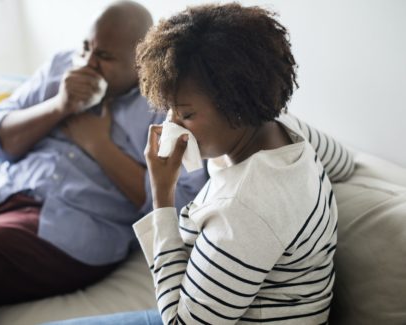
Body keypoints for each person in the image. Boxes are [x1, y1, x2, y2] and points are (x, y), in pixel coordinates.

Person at [42, 2, 355, 324]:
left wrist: (162, 196)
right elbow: (344, 163)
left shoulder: (244, 211)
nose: (173, 125)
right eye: (171, 110)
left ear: (236, 104)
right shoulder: (287, 128)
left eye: (187, 114)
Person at [0, 1, 208, 324]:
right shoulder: (62, 66)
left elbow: (179, 206)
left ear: (140, 63)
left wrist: (99, 145)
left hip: (71, 226)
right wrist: (58, 107)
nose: (88, 63)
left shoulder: (165, 107)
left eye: (104, 56)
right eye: (86, 47)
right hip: (5, 186)